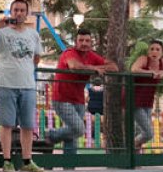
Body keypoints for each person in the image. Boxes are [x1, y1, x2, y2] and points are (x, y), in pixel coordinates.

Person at [0, 0, 45, 172]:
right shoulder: (2, 32)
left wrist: (26, 69)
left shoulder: (33, 34)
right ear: (11, 12)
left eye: (22, 10)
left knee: (28, 126)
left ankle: (27, 160)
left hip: (28, 85)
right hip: (6, 84)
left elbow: (37, 57)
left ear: (27, 13)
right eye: (15, 10)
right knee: (7, 124)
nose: (19, 13)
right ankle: (7, 161)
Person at [45, 28, 113, 156]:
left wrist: (98, 67)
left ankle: (69, 164)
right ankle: (52, 135)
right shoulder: (69, 52)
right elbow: (74, 66)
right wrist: (95, 68)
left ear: (91, 42)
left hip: (79, 100)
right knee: (79, 129)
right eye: (81, 40)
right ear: (76, 42)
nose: (84, 43)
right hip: (61, 98)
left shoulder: (92, 55)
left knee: (72, 134)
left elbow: (113, 67)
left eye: (87, 40)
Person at [129, 39, 163, 149]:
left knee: (139, 131)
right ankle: (130, 146)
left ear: (162, 53)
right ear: (148, 52)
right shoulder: (143, 59)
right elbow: (134, 69)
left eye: (157, 49)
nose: (154, 52)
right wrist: (150, 72)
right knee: (148, 133)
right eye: (152, 49)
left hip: (148, 101)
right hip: (134, 100)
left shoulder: (162, 63)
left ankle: (134, 160)